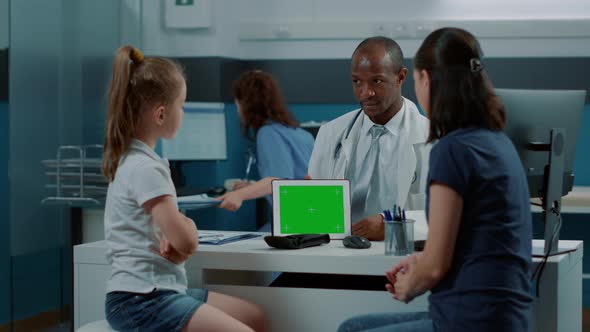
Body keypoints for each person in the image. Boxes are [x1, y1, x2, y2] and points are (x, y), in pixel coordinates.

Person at [338, 27, 533, 332]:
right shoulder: (497, 142)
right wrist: (418, 262)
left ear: (425, 79)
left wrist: (409, 285)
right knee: (353, 326)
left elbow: (436, 268)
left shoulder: (452, 150)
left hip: (470, 319)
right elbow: (468, 240)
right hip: (505, 314)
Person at [102, 45, 268, 332]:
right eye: (182, 106)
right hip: (142, 301)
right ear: (161, 114)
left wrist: (178, 234)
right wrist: (186, 226)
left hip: (157, 291)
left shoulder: (133, 159)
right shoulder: (147, 168)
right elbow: (186, 242)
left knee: (254, 316)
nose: (184, 113)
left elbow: (173, 237)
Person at [308, 36, 430, 241]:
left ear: (400, 77)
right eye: (357, 82)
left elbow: (448, 219)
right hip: (339, 255)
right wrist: (307, 205)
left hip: (401, 255)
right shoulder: (331, 133)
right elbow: (315, 216)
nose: (366, 93)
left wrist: (392, 225)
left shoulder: (433, 139)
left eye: (377, 81)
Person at [217, 70, 315, 229]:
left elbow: (277, 181)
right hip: (316, 217)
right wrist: (253, 187)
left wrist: (238, 195)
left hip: (297, 221)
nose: (237, 110)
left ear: (246, 104)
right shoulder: (300, 133)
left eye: (237, 104)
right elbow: (293, 181)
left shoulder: (268, 133)